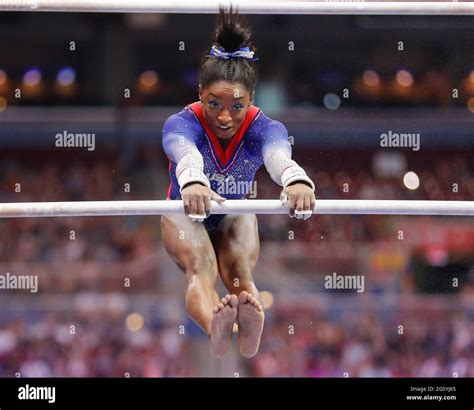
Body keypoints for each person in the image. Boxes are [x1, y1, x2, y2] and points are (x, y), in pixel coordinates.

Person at [160, 6, 315, 358]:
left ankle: (248, 327)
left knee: (240, 274)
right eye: (214, 104)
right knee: (201, 269)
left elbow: (278, 157)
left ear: (252, 101)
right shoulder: (182, 123)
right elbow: (184, 152)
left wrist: (295, 181)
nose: (225, 117)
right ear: (200, 93)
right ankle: (218, 324)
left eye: (236, 106)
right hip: (185, 211)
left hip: (233, 212)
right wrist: (193, 181)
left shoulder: (265, 128)